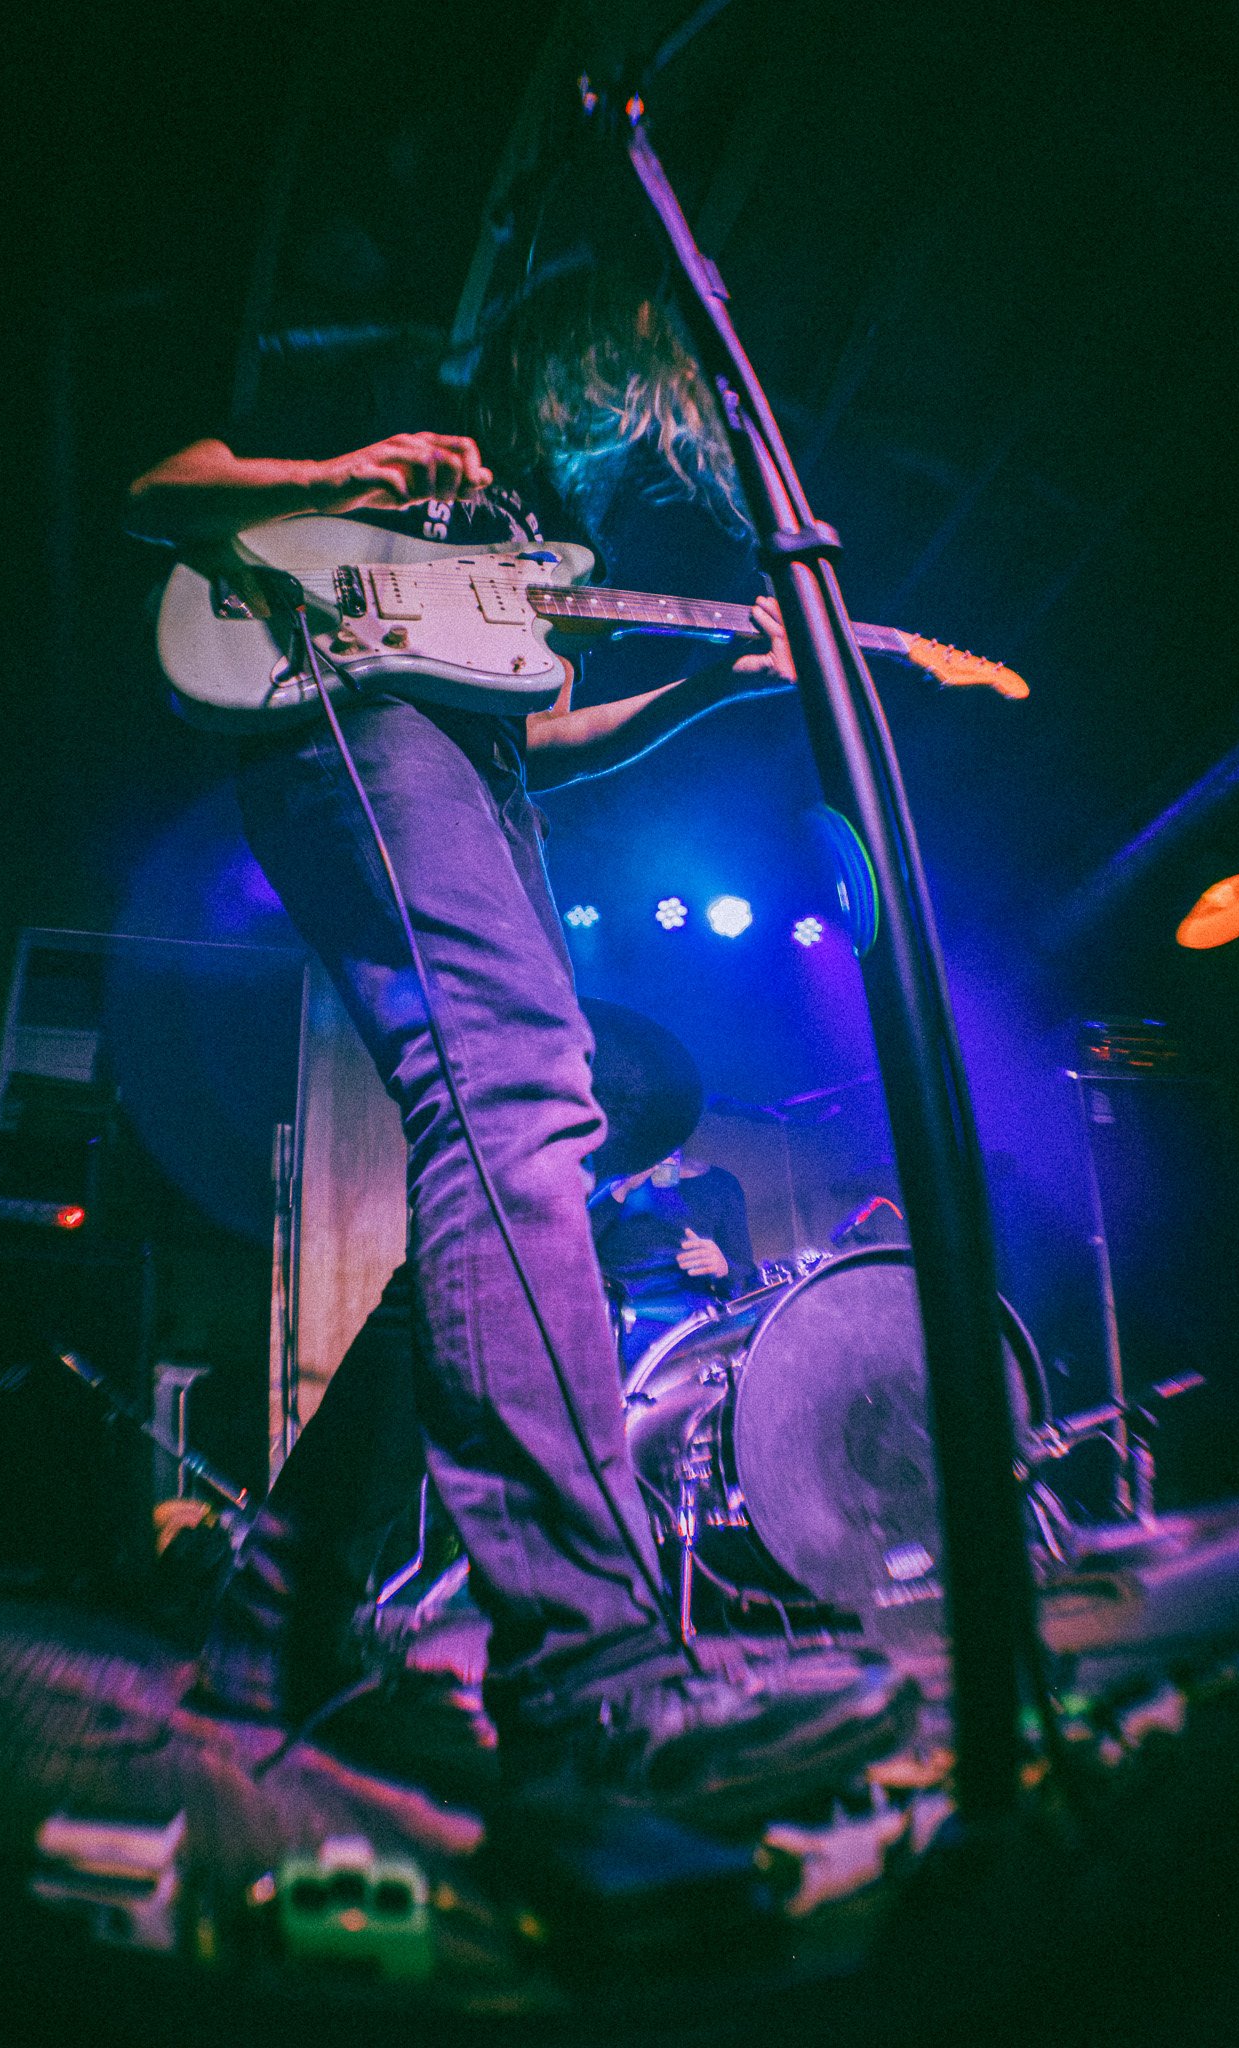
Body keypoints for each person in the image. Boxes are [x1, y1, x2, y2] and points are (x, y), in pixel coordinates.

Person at [125, 272, 913, 1826]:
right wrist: (338, 476)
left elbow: (542, 729)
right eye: (642, 396)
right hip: (335, 722)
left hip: (472, 778)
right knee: (517, 1094)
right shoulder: (376, 373)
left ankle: (269, 1623)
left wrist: (706, 681)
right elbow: (161, 492)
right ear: (587, 362)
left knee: (517, 1142)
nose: (644, 433)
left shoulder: (530, 553)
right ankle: (592, 1671)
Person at [593, 1148, 756, 1368]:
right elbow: (569, 1246)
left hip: (695, 1330)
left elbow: (745, 1275)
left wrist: (723, 1266)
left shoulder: (721, 1185)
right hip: (617, 1328)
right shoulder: (604, 1177)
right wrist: (622, 1187)